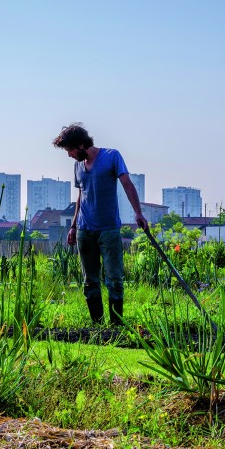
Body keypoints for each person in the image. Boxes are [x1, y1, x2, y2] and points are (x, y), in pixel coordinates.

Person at [53, 123, 148, 325]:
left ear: (80, 144)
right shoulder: (78, 165)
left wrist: (138, 213)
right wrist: (74, 226)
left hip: (109, 230)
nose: (69, 155)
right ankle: (97, 326)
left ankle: (116, 325)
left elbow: (127, 184)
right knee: (90, 281)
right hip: (85, 230)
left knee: (114, 279)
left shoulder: (112, 156)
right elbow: (81, 194)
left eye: (70, 150)